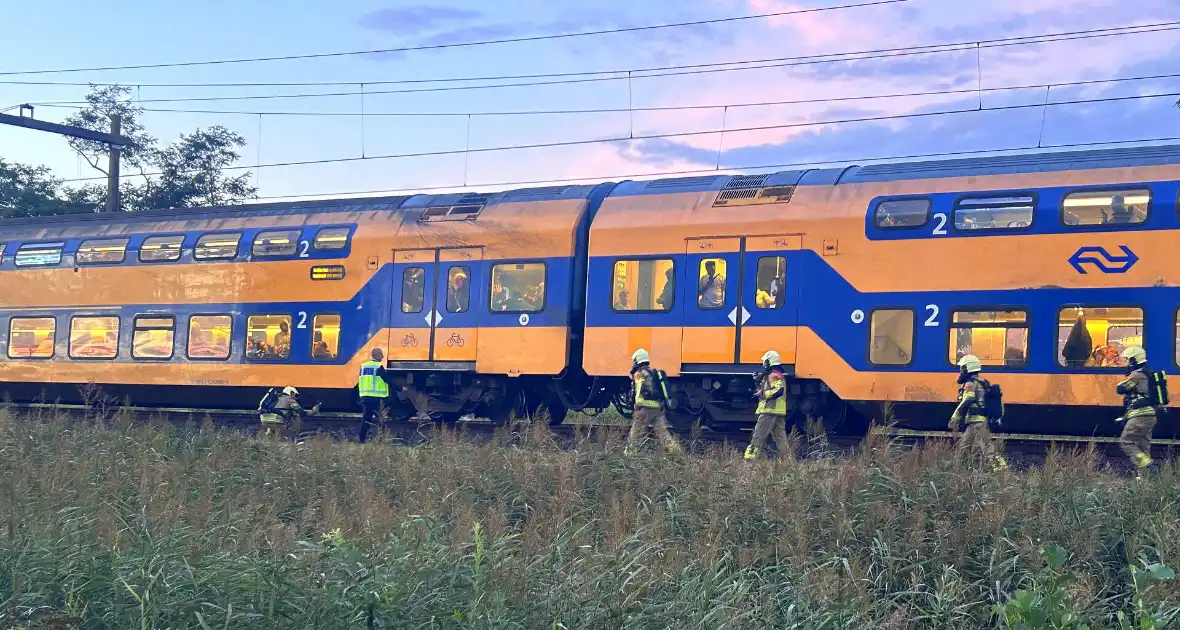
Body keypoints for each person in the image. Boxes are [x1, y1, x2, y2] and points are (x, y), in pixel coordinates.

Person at [949, 354, 1008, 471]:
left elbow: (967, 400)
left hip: (977, 424)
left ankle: (1004, 473)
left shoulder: (970, 384)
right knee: (971, 450)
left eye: (962, 368)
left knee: (986, 449)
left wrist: (954, 418)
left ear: (967, 368)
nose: (960, 371)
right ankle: (967, 474)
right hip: (977, 423)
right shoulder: (983, 382)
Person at [625, 349, 682, 456]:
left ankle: (630, 454)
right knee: (662, 432)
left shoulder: (639, 374)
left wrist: (636, 405)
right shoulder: (655, 373)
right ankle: (675, 453)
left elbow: (637, 390)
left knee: (635, 433)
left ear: (637, 360)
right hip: (657, 408)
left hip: (644, 409)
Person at [1115, 346, 1157, 474]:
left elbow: (1121, 388)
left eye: (1128, 360)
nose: (1126, 363)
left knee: (1126, 441)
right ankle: (1144, 481)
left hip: (1140, 415)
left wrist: (1126, 377)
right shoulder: (1149, 373)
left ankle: (1147, 463)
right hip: (1150, 415)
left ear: (1134, 360)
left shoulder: (1137, 374)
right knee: (1143, 449)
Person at [744, 350, 790, 460]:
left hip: (770, 410)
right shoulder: (774, 374)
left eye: (765, 361)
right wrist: (757, 382)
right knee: (780, 437)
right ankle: (787, 460)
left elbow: (779, 391)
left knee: (758, 435)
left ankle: (750, 458)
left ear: (768, 362)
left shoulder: (773, 375)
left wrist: (763, 394)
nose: (763, 364)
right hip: (777, 411)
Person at [358, 348, 407, 443]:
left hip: (365, 397)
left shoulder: (363, 366)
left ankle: (361, 439)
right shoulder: (378, 367)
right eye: (381, 355)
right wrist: (401, 389)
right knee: (381, 420)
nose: (383, 357)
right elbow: (388, 380)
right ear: (377, 355)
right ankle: (381, 439)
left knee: (366, 419)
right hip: (377, 398)